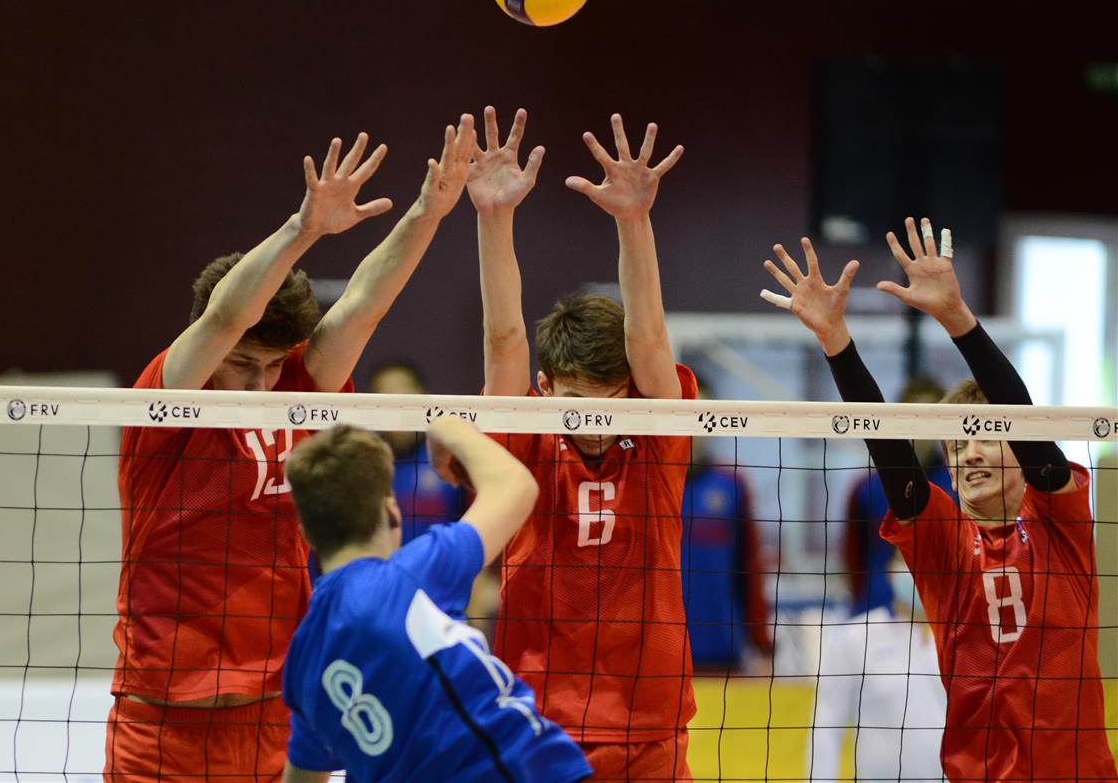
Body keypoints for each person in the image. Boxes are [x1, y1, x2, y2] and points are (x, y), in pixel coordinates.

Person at [105, 115, 478, 781]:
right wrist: (304, 228)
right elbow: (227, 316)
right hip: (164, 724)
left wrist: (428, 210)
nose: (261, 384)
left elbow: (362, 304)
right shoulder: (168, 400)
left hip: (279, 712)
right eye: (244, 364)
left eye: (274, 365)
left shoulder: (297, 388)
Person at [760, 217, 1117, 783]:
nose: (968, 454)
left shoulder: (1059, 520)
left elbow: (1026, 424)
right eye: (956, 444)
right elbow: (890, 451)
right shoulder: (944, 540)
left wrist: (957, 318)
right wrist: (835, 341)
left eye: (985, 437)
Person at [470, 106, 698, 779]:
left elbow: (649, 339)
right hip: (540, 721)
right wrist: (493, 218)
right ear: (544, 388)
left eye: (611, 402)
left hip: (650, 722)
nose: (595, 422)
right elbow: (504, 340)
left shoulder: (657, 439)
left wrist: (634, 220)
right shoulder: (525, 438)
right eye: (576, 403)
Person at [279, 418, 593, 782]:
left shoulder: (301, 661)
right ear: (391, 511)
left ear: (307, 533)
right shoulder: (413, 573)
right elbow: (516, 485)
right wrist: (445, 425)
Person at [808, 547, 946, 783]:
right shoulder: (855, 638)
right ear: (890, 570)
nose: (918, 567)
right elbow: (826, 726)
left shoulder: (969, 641)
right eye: (907, 557)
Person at [842, 375, 953, 617]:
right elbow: (853, 556)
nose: (921, 429)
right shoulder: (867, 488)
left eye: (930, 419)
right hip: (876, 610)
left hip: (943, 613)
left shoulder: (958, 484)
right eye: (914, 417)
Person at [681, 406, 773, 673]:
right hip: (659, 649)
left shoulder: (732, 483)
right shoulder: (648, 480)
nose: (694, 429)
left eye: (701, 419)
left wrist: (761, 640)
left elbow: (751, 568)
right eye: (687, 416)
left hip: (722, 645)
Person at [367, 361, 467, 543]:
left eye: (402, 395)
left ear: (423, 397)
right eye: (385, 397)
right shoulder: (364, 469)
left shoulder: (452, 461)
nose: (396, 408)